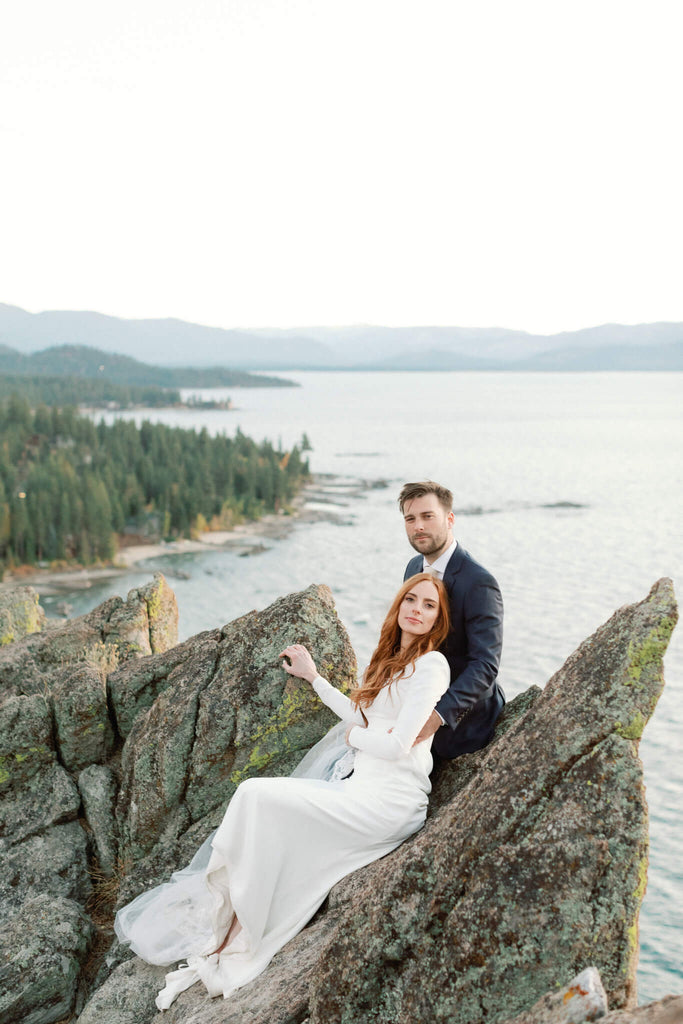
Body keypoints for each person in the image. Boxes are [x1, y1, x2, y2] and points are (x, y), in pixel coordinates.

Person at [114, 573, 452, 1009]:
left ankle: (242, 933)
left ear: (439, 620)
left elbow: (396, 743)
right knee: (256, 801)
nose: (417, 610)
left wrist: (355, 740)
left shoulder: (431, 666)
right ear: (399, 604)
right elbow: (359, 715)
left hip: (390, 800)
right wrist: (313, 678)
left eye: (429, 606)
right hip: (361, 787)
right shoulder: (388, 659)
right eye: (411, 599)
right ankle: (231, 924)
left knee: (258, 795)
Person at [399, 480, 505, 759]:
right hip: (418, 696)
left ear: (450, 519)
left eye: (427, 516)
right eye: (410, 519)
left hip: (463, 718)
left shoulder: (479, 582)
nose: (418, 526)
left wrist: (437, 716)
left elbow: (485, 665)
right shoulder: (413, 567)